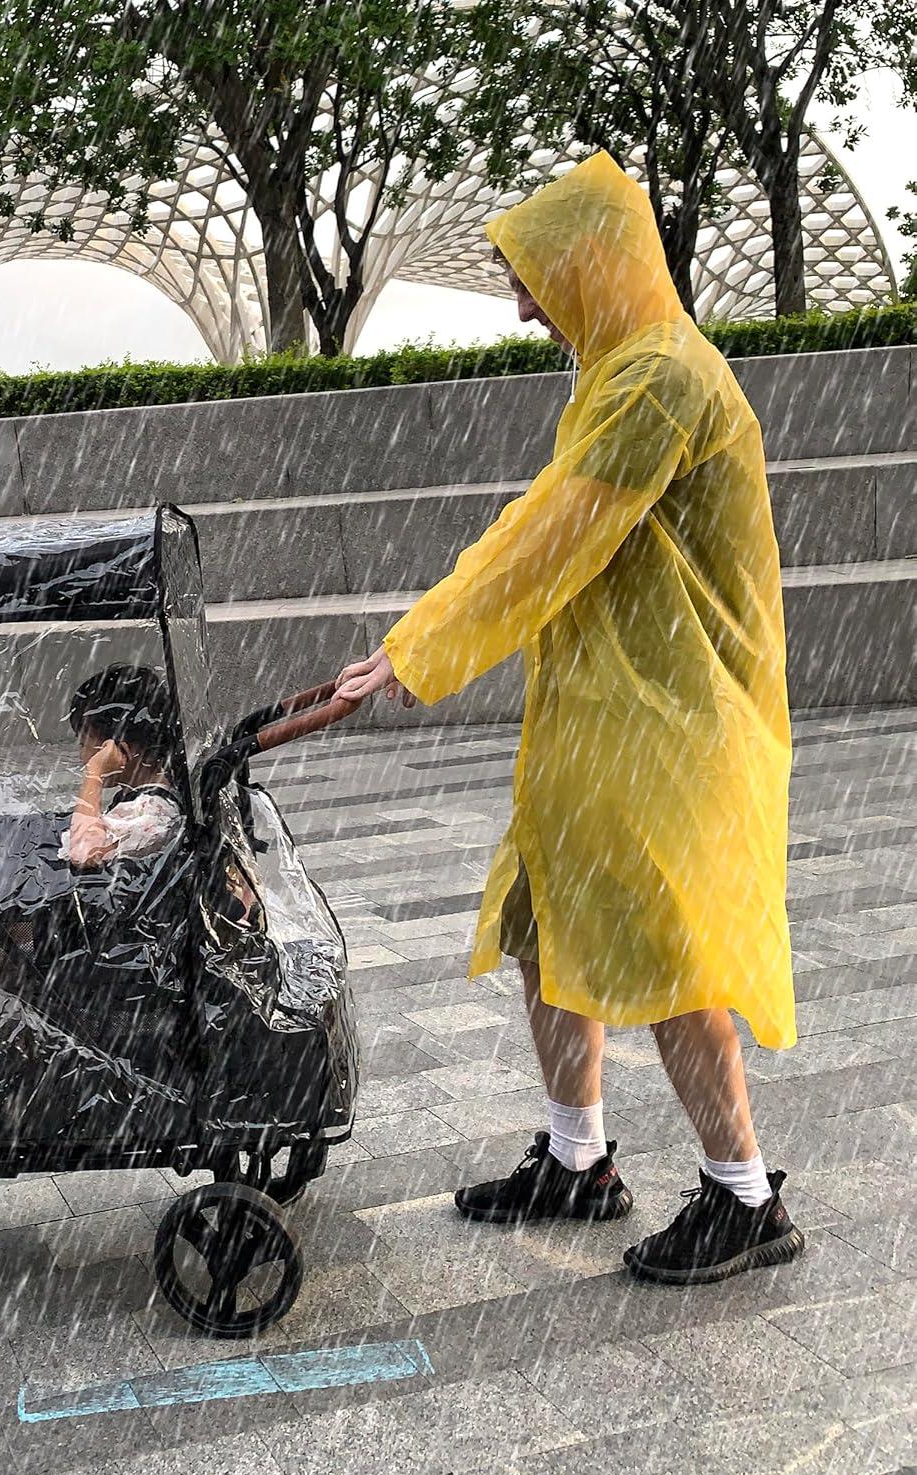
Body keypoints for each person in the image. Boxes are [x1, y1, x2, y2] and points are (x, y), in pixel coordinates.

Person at [335, 150, 804, 1285]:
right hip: (609, 710)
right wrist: (411, 639)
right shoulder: (619, 372)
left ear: (595, 263)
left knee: (671, 945)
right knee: (548, 915)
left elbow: (552, 540)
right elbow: (535, 521)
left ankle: (744, 1199)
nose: (522, 304)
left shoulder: (660, 383)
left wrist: (421, 652)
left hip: (676, 721)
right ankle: (577, 1158)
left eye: (536, 277)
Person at [61, 663, 184, 869]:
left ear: (121, 750)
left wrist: (94, 776)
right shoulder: (142, 796)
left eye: (84, 743)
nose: (82, 755)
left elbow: (83, 853)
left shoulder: (153, 811)